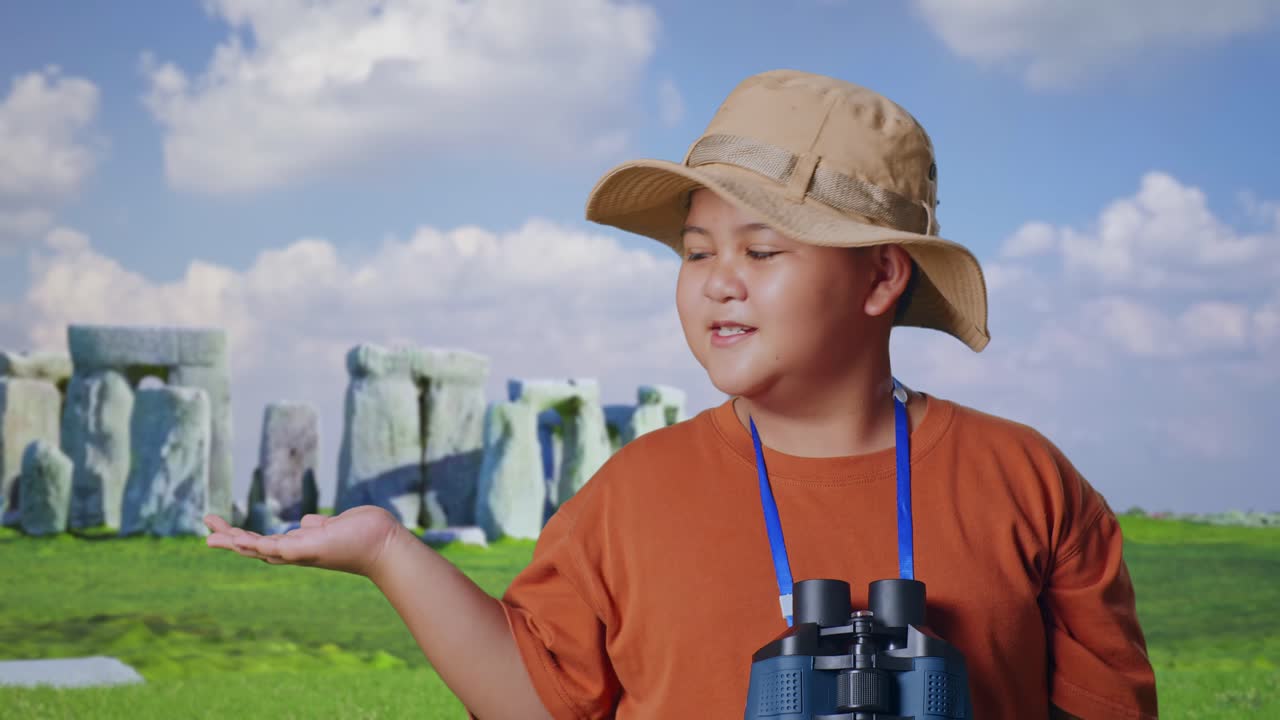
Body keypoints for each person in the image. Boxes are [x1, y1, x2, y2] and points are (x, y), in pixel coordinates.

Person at [205, 70, 1158, 719]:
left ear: (879, 281)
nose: (717, 280)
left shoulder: (1025, 480)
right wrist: (386, 550)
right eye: (697, 251)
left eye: (763, 250)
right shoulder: (634, 494)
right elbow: (543, 697)